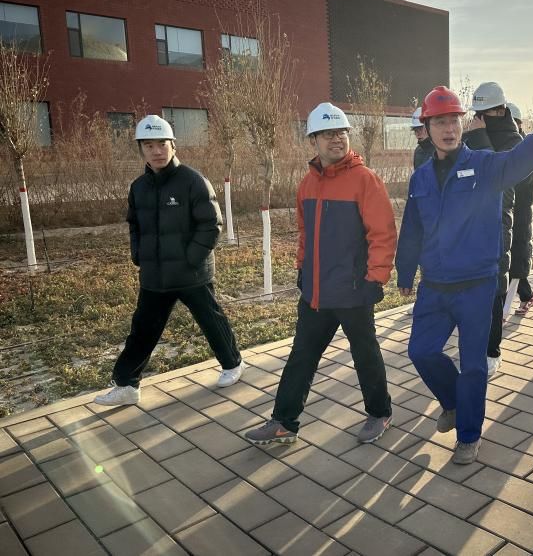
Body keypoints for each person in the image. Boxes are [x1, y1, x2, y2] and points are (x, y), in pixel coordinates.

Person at [396, 86, 533, 464]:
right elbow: (412, 228)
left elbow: (517, 161)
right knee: (421, 351)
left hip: (477, 284)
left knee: (474, 365)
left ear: (462, 124)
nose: (448, 129)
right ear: (427, 127)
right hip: (435, 285)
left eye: (454, 121)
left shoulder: (485, 165)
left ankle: (468, 436)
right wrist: (405, 272)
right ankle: (453, 402)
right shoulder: (421, 178)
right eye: (440, 122)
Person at [245, 103, 397, 445]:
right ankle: (283, 421)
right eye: (328, 134)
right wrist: (302, 269)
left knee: (365, 355)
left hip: (354, 289)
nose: (337, 139)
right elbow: (305, 234)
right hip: (315, 291)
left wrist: (376, 278)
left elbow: (383, 233)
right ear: (313, 140)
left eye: (341, 133)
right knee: (302, 356)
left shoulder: (365, 180)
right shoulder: (307, 184)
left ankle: (380, 413)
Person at [94, 115, 243, 406]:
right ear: (141, 149)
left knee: (211, 320)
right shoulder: (139, 187)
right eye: (149, 145)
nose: (156, 151)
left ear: (173, 145)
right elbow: (134, 225)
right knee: (142, 330)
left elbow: (211, 224)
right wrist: (138, 254)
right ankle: (127, 385)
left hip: (191, 273)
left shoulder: (193, 180)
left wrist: (191, 258)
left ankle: (233, 364)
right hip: (155, 275)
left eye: (162, 144)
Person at [463, 82, 523, 376]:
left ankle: (492, 350)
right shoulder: (473, 136)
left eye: (484, 114)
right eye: (477, 114)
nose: (479, 119)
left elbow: (499, 177)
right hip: (470, 221)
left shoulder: (514, 140)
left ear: (500, 111)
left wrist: (479, 138)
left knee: (495, 286)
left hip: (498, 220)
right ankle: (473, 342)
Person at [506, 102, 533, 315]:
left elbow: (523, 189)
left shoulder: (526, 150)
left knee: (516, 260)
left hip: (519, 214)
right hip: (505, 214)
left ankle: (504, 310)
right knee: (510, 263)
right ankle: (527, 295)